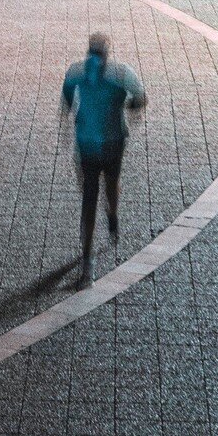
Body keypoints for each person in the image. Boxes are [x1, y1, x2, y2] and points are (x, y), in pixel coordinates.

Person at [61, 33, 145, 286]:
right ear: (108, 54)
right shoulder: (122, 74)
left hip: (86, 143)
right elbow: (140, 99)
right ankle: (113, 214)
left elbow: (66, 101)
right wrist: (128, 107)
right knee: (111, 183)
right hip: (113, 143)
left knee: (88, 199)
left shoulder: (76, 71)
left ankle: (87, 263)